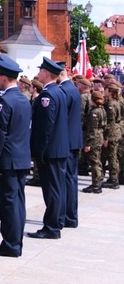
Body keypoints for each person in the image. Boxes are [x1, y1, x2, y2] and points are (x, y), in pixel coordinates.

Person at [0, 54, 31, 257]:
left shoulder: (3, 101)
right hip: (21, 157)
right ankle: (16, 242)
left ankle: (11, 244)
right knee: (17, 202)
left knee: (9, 203)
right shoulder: (23, 99)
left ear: (4, 78)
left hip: (7, 159)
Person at [28, 56, 69, 239]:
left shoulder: (47, 95)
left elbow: (45, 127)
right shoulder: (59, 92)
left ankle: (51, 227)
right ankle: (57, 221)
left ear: (46, 73)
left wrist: (39, 151)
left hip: (50, 150)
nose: (38, 74)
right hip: (59, 148)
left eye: (40, 71)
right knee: (57, 188)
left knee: (51, 190)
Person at [58, 63, 83, 227]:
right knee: (71, 179)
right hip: (74, 139)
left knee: (66, 180)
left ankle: (68, 216)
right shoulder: (73, 89)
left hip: (66, 141)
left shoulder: (64, 91)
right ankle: (71, 216)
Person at [81, 89, 108, 194]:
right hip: (99, 137)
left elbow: (92, 129)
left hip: (94, 139)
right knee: (97, 161)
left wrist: (88, 144)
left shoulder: (94, 112)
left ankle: (96, 184)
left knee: (94, 162)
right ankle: (98, 182)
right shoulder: (102, 110)